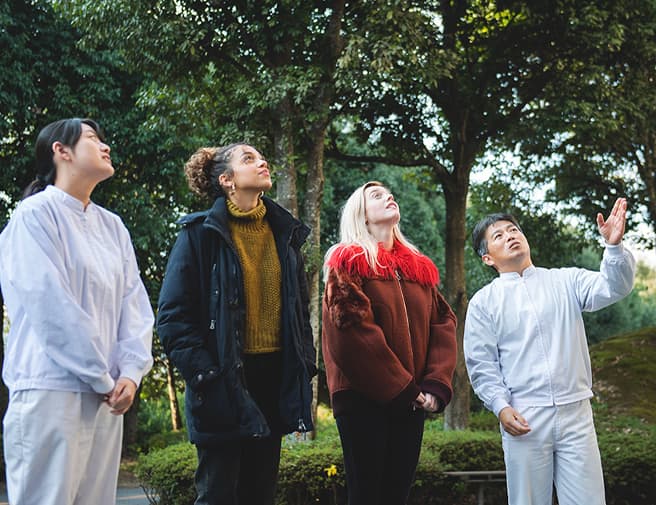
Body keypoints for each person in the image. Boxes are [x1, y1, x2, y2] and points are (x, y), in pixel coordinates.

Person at [0, 118, 154, 505]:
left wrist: (131, 374)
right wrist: (102, 378)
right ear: (61, 150)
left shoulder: (113, 226)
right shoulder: (33, 215)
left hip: (108, 396)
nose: (104, 146)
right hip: (50, 388)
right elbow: (50, 307)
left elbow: (134, 305)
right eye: (92, 139)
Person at [157, 143, 316, 505]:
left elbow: (298, 311)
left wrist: (303, 363)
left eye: (261, 157)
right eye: (249, 158)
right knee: (218, 495)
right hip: (221, 380)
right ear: (227, 180)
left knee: (260, 495)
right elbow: (172, 317)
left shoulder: (284, 235)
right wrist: (205, 375)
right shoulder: (199, 234)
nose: (262, 162)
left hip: (272, 380)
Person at [463, 198, 636, 505]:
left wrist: (613, 248)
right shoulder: (484, 302)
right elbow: (481, 364)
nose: (510, 236)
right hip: (524, 417)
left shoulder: (565, 280)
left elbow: (614, 287)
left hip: (576, 412)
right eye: (499, 236)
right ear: (487, 258)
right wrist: (500, 406)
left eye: (513, 229)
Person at [321, 181, 458, 505]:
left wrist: (435, 386)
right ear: (362, 215)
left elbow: (443, 323)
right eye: (377, 196)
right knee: (367, 495)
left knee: (397, 495)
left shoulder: (417, 269)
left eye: (389, 193)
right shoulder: (346, 263)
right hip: (362, 400)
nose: (389, 197)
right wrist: (404, 389)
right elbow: (350, 331)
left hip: (412, 401)